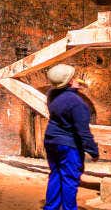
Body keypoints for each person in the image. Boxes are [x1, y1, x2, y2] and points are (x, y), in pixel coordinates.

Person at [43, 63, 98, 210]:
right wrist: (93, 150)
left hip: (51, 139)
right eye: (72, 77)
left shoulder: (51, 94)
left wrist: (73, 89)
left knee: (56, 174)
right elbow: (83, 131)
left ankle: (51, 207)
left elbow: (63, 97)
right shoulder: (77, 103)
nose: (75, 79)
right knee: (69, 179)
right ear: (68, 82)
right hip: (68, 145)